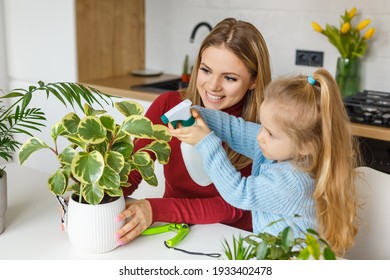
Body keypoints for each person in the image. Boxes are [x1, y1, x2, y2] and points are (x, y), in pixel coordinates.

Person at [169, 68, 359, 256]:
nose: (260, 136)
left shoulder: (294, 181)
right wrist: (198, 114)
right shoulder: (278, 148)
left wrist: (206, 143)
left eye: (270, 133)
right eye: (263, 126)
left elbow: (239, 193)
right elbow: (236, 129)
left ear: (305, 146)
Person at [115, 17, 272, 245]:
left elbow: (233, 207)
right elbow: (131, 172)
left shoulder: (262, 130)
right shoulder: (168, 106)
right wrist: (90, 203)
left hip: (235, 240)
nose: (213, 86)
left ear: (254, 81)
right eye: (206, 70)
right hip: (174, 230)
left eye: (229, 78)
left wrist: (154, 209)